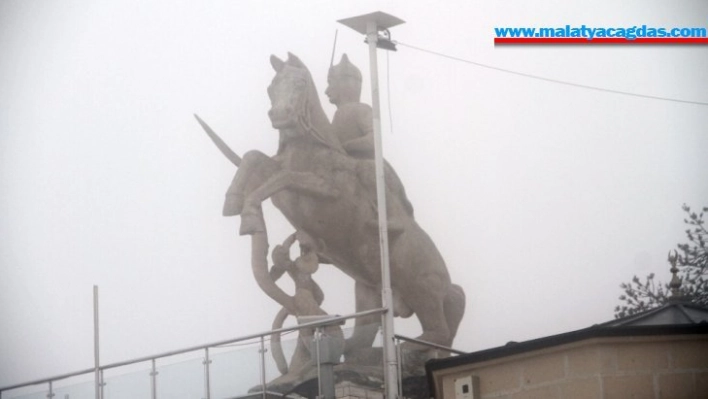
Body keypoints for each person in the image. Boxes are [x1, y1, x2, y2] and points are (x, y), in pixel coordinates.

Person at [325, 54, 414, 231]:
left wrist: (347, 146)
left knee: (367, 170)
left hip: (368, 166)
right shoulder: (337, 116)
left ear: (345, 84)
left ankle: (392, 216)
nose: (327, 91)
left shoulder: (361, 110)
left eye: (331, 84)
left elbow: (374, 140)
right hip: (346, 169)